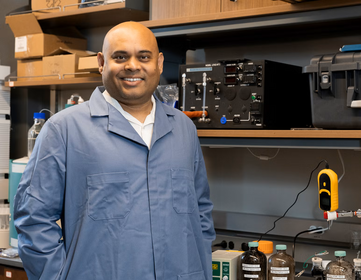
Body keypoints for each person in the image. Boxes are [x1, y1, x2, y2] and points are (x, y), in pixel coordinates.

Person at [14, 21, 215, 280]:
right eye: (120, 57)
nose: (133, 66)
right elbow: (33, 220)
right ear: (101, 62)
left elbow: (200, 213)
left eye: (144, 57)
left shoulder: (184, 130)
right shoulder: (64, 129)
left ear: (160, 63)